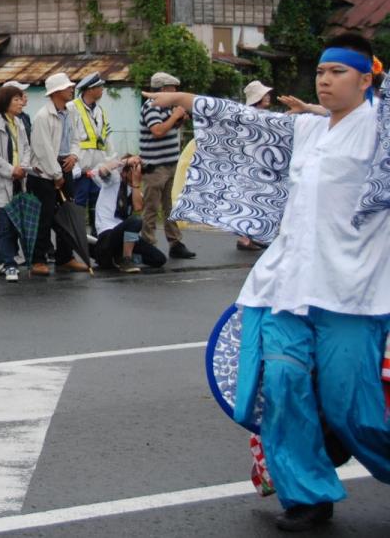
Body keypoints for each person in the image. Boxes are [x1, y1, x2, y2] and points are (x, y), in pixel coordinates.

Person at [152, 33, 390, 532]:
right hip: (286, 285)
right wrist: (187, 101)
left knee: (354, 407)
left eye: (338, 72)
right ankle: (307, 495)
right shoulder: (308, 130)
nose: (324, 79)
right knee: (282, 386)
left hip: (353, 293)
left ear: (367, 78)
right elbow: (248, 121)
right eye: (321, 71)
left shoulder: (381, 131)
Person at [28, 73, 89, 276]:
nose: (71, 89)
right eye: (67, 87)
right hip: (44, 173)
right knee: (43, 218)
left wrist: (74, 155)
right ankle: (38, 259)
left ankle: (65, 257)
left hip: (65, 166)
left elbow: (76, 137)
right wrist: (56, 174)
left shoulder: (70, 112)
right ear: (55, 92)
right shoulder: (42, 116)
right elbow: (42, 149)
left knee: (67, 214)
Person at [139, 72, 195, 259]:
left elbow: (168, 127)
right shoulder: (151, 106)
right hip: (155, 167)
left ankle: (175, 242)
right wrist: (175, 116)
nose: (175, 92)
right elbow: (158, 130)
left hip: (170, 163)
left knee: (170, 206)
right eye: (172, 88)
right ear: (163, 90)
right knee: (151, 208)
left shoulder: (168, 108)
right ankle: (147, 243)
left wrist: (178, 120)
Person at [0, 84, 32, 282]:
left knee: (13, 222)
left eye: (21, 99)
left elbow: (26, 148)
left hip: (18, 179)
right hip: (1, 180)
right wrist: (11, 170)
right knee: (6, 224)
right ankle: (10, 265)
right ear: (5, 103)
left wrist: (23, 167)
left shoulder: (18, 122)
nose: (21, 103)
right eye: (16, 100)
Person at [90, 155, 166, 271]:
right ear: (127, 170)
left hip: (124, 239)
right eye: (137, 170)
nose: (141, 174)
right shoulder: (114, 180)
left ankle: (119, 257)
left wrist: (136, 183)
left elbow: (138, 206)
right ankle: (126, 259)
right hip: (107, 237)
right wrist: (126, 161)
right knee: (135, 221)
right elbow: (102, 170)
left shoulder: (135, 189)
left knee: (159, 259)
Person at [68, 72, 113, 233]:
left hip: (97, 167)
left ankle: (97, 233)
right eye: (99, 87)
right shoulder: (72, 108)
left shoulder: (100, 110)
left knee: (97, 202)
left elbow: (106, 139)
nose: (102, 90)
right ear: (89, 90)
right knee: (79, 202)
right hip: (80, 167)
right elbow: (68, 138)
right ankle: (78, 235)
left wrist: (109, 162)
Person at [237, 80, 275, 251]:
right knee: (250, 200)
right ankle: (245, 238)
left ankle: (250, 237)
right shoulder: (252, 115)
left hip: (257, 163)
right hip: (252, 164)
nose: (267, 96)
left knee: (255, 200)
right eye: (264, 94)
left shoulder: (256, 114)